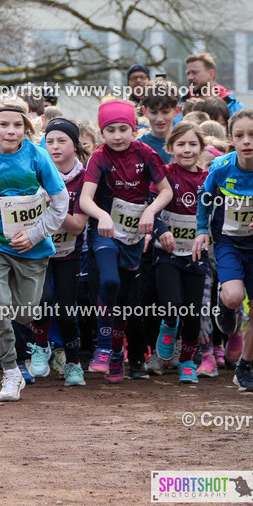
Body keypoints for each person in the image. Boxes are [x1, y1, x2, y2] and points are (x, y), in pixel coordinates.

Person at [0, 97, 68, 402]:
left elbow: (61, 202)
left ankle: (16, 354)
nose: (11, 131)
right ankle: (11, 372)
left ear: (26, 127)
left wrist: (34, 234)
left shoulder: (37, 156)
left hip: (33, 250)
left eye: (18, 125)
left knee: (25, 312)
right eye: (4, 125)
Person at [79, 99, 172, 383]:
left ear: (133, 128)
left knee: (124, 302)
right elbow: (85, 199)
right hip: (105, 232)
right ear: (101, 132)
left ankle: (118, 353)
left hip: (133, 235)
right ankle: (104, 348)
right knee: (109, 282)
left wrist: (151, 210)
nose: (117, 136)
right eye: (110, 130)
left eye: (123, 129)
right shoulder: (100, 157)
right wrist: (101, 216)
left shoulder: (145, 154)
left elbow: (165, 191)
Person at [193, 109, 253, 392]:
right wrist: (202, 230)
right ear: (231, 139)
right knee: (233, 297)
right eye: (239, 136)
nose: (247, 141)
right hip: (229, 243)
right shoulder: (220, 168)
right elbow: (204, 200)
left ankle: (245, 367)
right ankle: (225, 304)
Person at [148, 122, 209, 384]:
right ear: (171, 147)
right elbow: (151, 207)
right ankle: (168, 325)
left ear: (201, 148)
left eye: (193, 144)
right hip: (167, 253)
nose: (187, 149)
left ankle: (186, 360)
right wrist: (161, 230)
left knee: (193, 313)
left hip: (196, 255)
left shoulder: (208, 179)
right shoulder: (165, 174)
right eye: (181, 144)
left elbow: (214, 215)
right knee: (171, 304)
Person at [30, 118, 89, 386]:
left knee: (66, 310)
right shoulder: (35, 173)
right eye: (49, 141)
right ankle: (40, 347)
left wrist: (56, 205)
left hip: (69, 254)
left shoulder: (85, 178)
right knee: (42, 300)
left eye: (61, 141)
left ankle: (74, 363)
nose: (54, 146)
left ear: (75, 146)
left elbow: (77, 227)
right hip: (40, 251)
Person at [136, 80, 180, 162]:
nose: (159, 119)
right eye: (153, 112)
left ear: (176, 111)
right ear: (145, 111)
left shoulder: (184, 143)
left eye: (165, 112)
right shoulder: (138, 146)